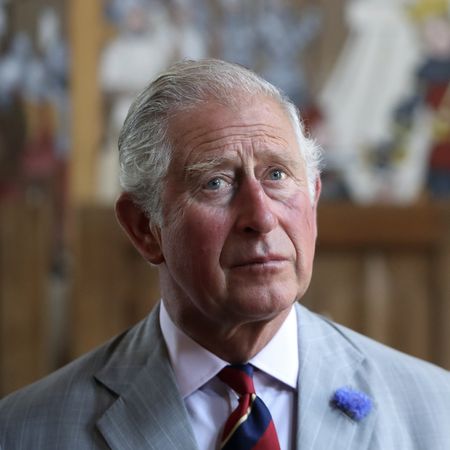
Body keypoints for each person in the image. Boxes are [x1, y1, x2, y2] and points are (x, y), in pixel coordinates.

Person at [1, 59, 449, 450]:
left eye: (276, 175)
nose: (261, 217)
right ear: (144, 227)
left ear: (313, 198)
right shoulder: (22, 432)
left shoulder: (435, 411)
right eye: (215, 182)